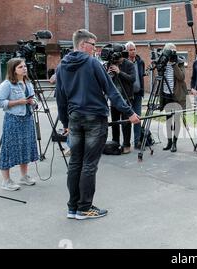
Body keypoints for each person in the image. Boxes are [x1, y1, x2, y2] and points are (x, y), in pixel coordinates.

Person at [56, 29, 139, 220]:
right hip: (94, 119)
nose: (96, 49)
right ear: (83, 44)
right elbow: (111, 91)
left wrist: (65, 122)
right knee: (88, 165)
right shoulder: (92, 63)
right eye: (94, 45)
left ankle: (73, 208)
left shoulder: (62, 66)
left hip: (75, 118)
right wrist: (130, 113)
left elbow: (60, 98)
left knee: (75, 163)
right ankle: (84, 208)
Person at [0, 58, 39, 191]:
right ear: (13, 70)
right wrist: (18, 102)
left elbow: (33, 98)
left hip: (27, 119)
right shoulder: (7, 84)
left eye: (25, 66)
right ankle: (6, 181)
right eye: (20, 67)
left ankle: (24, 176)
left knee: (25, 147)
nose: (24, 68)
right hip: (13, 120)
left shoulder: (28, 82)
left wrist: (34, 102)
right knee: (9, 149)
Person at [107, 43, 136, 154]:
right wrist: (108, 74)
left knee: (126, 123)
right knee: (115, 123)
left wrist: (119, 72)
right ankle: (115, 143)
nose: (117, 60)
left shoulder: (128, 64)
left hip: (126, 98)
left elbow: (132, 79)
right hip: (114, 99)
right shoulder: (110, 64)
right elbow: (106, 81)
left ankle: (126, 144)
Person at [158, 43, 188, 153]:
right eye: (171, 51)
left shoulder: (179, 62)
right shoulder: (163, 61)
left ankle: (175, 143)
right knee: (168, 120)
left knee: (176, 120)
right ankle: (169, 142)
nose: (174, 53)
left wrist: (174, 64)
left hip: (177, 96)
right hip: (166, 95)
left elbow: (181, 77)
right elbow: (159, 73)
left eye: (175, 51)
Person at [125, 41, 146, 150]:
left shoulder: (140, 62)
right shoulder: (124, 63)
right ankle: (126, 143)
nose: (133, 51)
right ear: (126, 51)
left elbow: (141, 76)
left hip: (138, 94)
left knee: (138, 117)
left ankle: (137, 141)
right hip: (128, 95)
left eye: (134, 49)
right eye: (131, 50)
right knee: (128, 119)